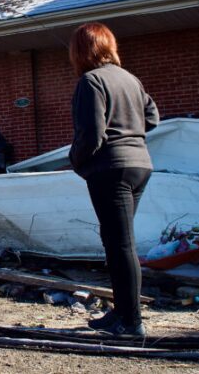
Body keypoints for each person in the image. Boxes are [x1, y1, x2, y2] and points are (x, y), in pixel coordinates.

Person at [68, 22, 159, 337]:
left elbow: (92, 134)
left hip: (111, 169)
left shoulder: (90, 81)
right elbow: (152, 118)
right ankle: (121, 312)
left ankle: (132, 322)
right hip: (140, 166)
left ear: (81, 51)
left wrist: (75, 161)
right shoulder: (130, 79)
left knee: (120, 244)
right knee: (117, 242)